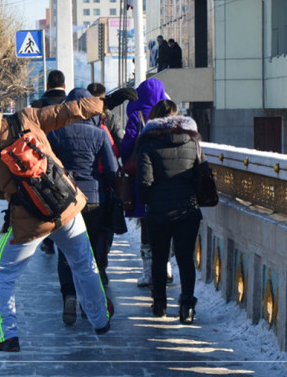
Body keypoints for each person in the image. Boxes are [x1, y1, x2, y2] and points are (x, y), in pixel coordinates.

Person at [0, 87, 137, 352]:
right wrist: (106, 102)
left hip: (30, 222)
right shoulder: (24, 118)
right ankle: (100, 321)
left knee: (2, 274)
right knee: (84, 263)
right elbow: (68, 111)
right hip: (65, 205)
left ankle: (8, 335)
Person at [48, 88, 118, 326]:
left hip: (64, 199)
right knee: (90, 254)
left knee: (66, 252)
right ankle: (91, 304)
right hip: (94, 199)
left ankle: (68, 294)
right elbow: (110, 169)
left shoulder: (55, 133)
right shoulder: (98, 134)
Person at [136, 99, 202, 324]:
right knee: (185, 259)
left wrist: (151, 200)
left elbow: (144, 182)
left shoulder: (147, 142)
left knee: (159, 257)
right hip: (187, 210)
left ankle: (160, 303)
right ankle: (186, 306)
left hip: (158, 210)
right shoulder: (192, 140)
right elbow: (199, 173)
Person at [120, 78, 171, 288]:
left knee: (145, 224)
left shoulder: (136, 115)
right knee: (166, 225)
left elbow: (127, 145)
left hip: (142, 176)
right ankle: (166, 267)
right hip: (167, 178)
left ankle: (148, 271)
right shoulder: (169, 115)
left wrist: (128, 161)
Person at [31, 69, 67, 255]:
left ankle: (48, 241)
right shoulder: (71, 105)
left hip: (43, 161)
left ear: (47, 86)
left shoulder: (36, 106)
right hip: (67, 160)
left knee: (46, 201)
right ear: (65, 86)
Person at [87, 82, 124, 150]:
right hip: (107, 157)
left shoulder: (79, 117)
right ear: (104, 98)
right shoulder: (113, 118)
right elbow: (120, 142)